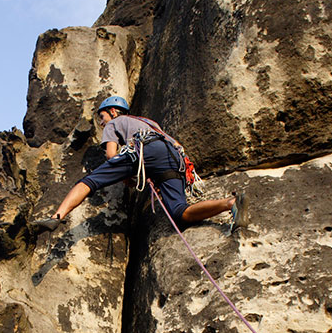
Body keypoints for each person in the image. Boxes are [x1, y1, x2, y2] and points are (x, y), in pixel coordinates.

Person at [33, 96, 248, 232]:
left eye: (102, 116)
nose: (101, 122)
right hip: (174, 157)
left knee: (89, 181)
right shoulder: (148, 122)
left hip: (145, 151)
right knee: (180, 213)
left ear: (113, 111)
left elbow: (111, 155)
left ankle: (56, 217)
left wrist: (125, 175)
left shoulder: (115, 122)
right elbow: (168, 143)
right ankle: (230, 204)